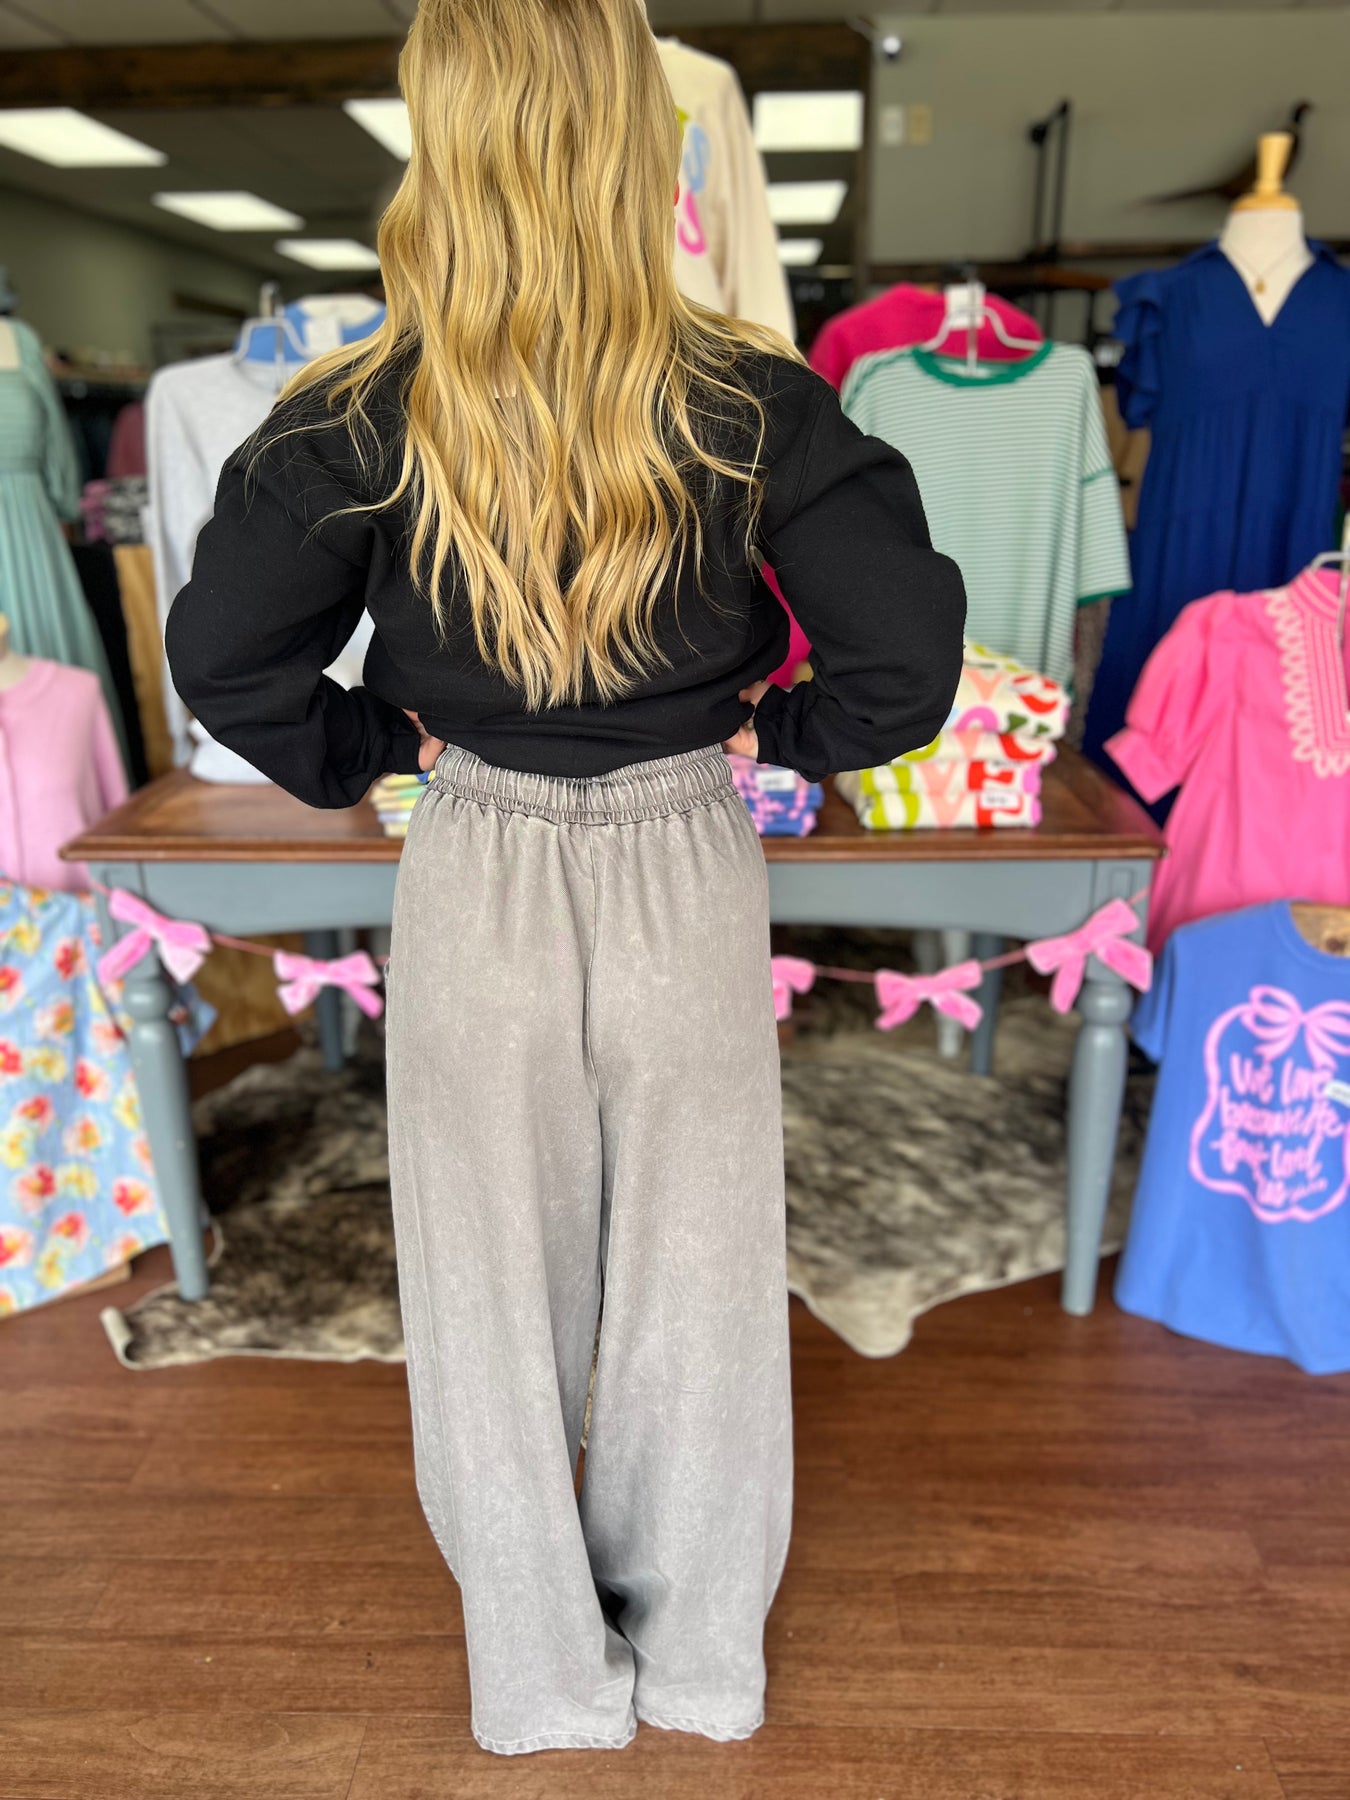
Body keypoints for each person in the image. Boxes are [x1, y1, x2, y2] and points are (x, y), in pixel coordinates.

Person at [165, 0, 966, 1761]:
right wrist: (779, 729)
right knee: (697, 1271)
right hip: (688, 849)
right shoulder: (751, 398)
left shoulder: (353, 415)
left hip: (479, 857)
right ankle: (701, 1669)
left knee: (488, 1289)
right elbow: (906, 661)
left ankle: (540, 1680)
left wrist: (369, 747)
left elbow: (224, 658)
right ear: (637, 143)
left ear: (436, 140)